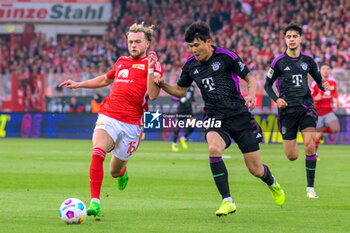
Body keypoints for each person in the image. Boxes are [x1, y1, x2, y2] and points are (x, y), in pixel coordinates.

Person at [156, 22, 285, 217]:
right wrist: (164, 84)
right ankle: (227, 200)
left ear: (208, 42)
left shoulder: (226, 56)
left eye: (197, 45)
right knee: (213, 149)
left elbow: (250, 80)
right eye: (190, 46)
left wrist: (250, 95)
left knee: (256, 169)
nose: (193, 50)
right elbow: (180, 90)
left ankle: (272, 183)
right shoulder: (190, 65)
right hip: (215, 116)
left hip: (239, 115)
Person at [59, 22, 164, 217]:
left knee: (114, 171)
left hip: (132, 124)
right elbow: (104, 79)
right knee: (97, 151)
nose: (133, 45)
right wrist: (79, 84)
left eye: (138, 42)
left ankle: (122, 173)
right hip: (109, 116)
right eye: (130, 42)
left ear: (147, 44)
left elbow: (154, 94)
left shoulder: (154, 65)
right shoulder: (121, 61)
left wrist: (150, 70)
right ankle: (95, 202)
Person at [264, 24, 330, 199]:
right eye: (288, 36)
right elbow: (267, 85)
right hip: (287, 111)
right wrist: (277, 99)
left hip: (306, 106)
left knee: (310, 144)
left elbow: (319, 81)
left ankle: (310, 188)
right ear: (285, 39)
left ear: (300, 38)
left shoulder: (308, 61)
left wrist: (324, 85)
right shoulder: (278, 62)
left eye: (294, 36)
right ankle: (304, 155)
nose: (292, 39)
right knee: (292, 156)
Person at [311, 63, 340, 155]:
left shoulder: (333, 82)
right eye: (323, 69)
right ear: (320, 71)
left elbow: (334, 92)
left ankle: (322, 131)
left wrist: (336, 99)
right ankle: (315, 154)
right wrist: (316, 98)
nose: (326, 70)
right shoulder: (315, 83)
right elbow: (310, 97)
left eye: (327, 69)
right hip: (318, 112)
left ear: (329, 71)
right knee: (318, 136)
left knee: (336, 129)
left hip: (328, 111)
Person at [171, 84, 196, 152]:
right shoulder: (180, 84)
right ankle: (174, 143)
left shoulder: (192, 87)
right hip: (181, 110)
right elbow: (173, 96)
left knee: (193, 124)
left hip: (189, 109)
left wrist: (194, 101)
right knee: (178, 127)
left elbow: (192, 96)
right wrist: (180, 98)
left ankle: (183, 138)